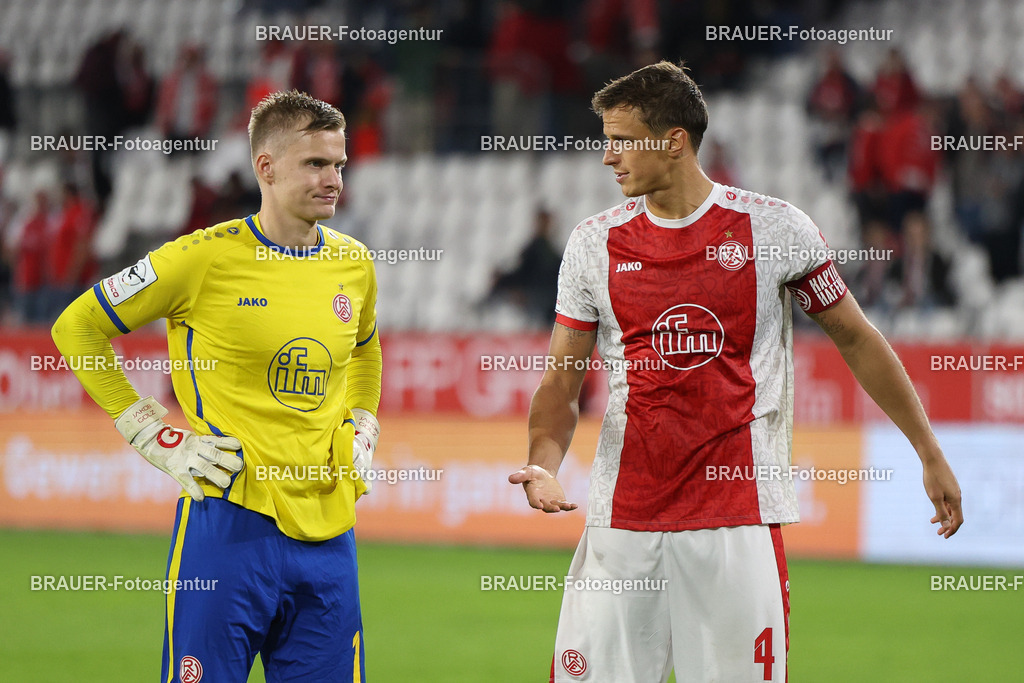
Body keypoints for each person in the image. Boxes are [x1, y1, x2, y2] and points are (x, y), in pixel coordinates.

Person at [508, 62, 963, 683]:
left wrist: (927, 449)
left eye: (621, 139)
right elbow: (561, 381)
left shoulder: (774, 229)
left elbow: (856, 337)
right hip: (623, 520)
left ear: (673, 141)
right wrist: (543, 460)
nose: (607, 156)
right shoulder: (594, 244)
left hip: (736, 520)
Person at [52, 90, 381, 682]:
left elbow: (364, 349)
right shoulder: (199, 259)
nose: (333, 179)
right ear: (266, 167)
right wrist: (147, 430)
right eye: (314, 164)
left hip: (331, 532)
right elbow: (77, 327)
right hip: (228, 523)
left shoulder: (354, 262)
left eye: (338, 164)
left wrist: (364, 421)